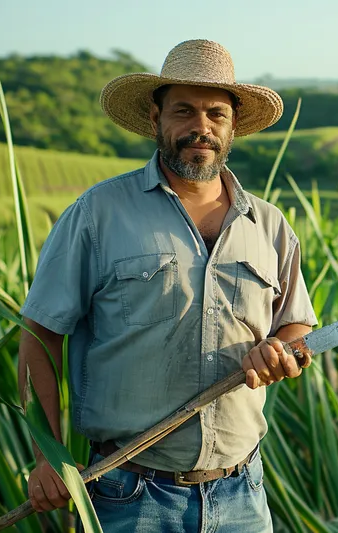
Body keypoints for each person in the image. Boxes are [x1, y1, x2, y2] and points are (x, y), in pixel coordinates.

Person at [17, 39, 318, 532]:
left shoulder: (269, 225)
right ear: (156, 118)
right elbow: (40, 335)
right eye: (184, 111)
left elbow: (295, 324)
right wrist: (48, 455)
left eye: (216, 114)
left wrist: (283, 352)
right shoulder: (99, 214)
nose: (201, 127)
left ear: (233, 125)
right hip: (129, 495)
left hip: (242, 491)